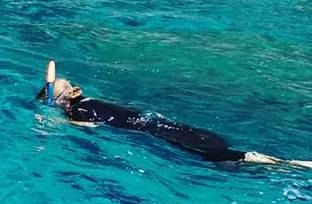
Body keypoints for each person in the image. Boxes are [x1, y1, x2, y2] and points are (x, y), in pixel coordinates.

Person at [38, 61, 312, 168]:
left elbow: (91, 127)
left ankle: (286, 164)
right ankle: (277, 162)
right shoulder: (91, 100)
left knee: (218, 159)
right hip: (157, 122)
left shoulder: (81, 108)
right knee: (216, 154)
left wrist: (58, 124)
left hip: (151, 130)